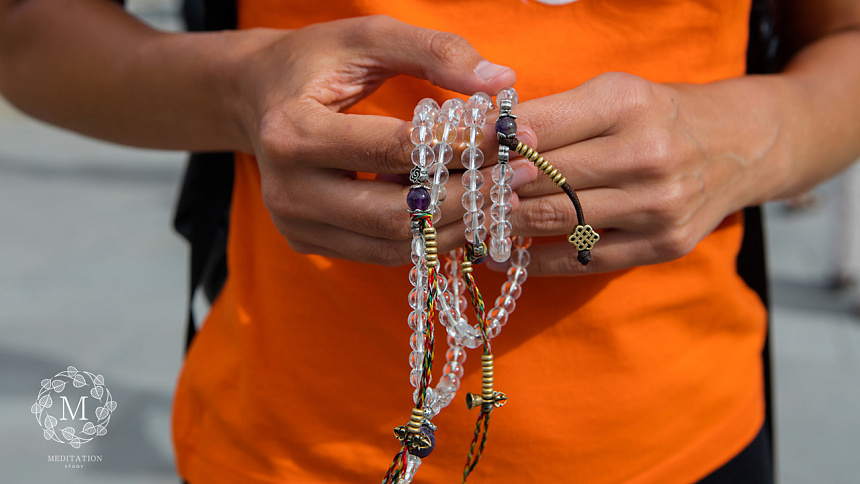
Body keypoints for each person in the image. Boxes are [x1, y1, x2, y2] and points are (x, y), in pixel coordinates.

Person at [1, 0, 859, 482]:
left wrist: (751, 137)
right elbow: (27, 29)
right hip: (281, 448)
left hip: (687, 442)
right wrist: (238, 90)